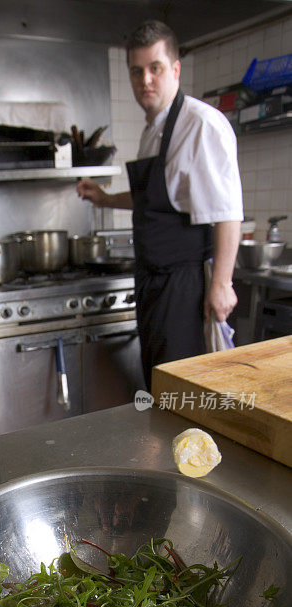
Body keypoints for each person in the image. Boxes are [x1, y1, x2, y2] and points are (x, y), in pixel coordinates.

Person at [77, 19, 242, 390]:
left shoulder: (201, 125)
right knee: (158, 385)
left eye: (156, 68)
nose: (145, 81)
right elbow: (152, 199)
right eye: (137, 71)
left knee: (184, 392)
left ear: (175, 69)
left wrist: (221, 284)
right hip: (152, 279)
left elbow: (227, 211)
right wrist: (104, 198)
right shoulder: (152, 130)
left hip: (184, 284)